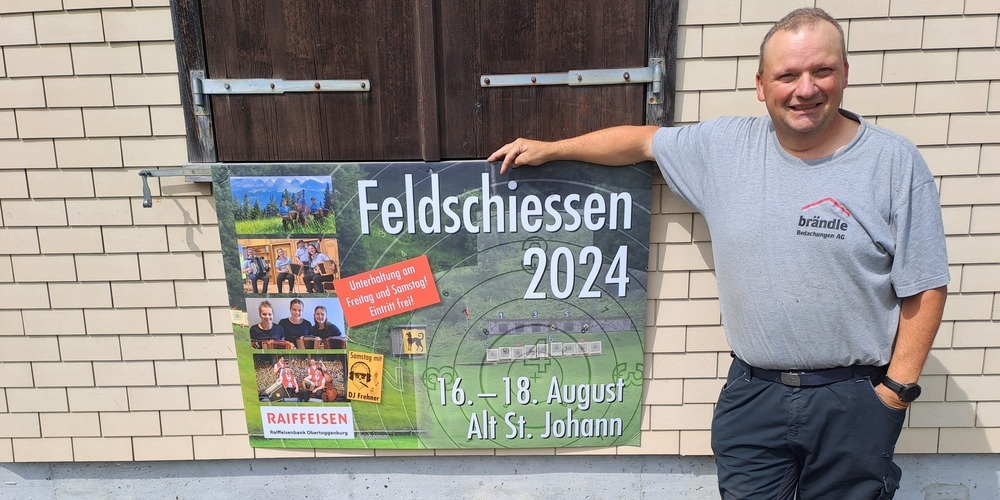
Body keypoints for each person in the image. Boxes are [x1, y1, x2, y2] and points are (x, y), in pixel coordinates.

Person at [488, 8, 948, 499]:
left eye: (822, 70)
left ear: (845, 73)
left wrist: (894, 393)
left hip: (853, 399)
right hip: (754, 396)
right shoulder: (725, 147)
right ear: (761, 85)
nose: (805, 89)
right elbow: (641, 142)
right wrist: (552, 149)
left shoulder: (893, 163)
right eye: (787, 75)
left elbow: (925, 285)